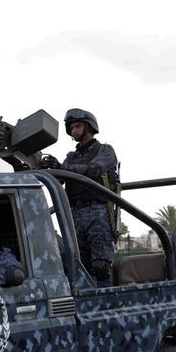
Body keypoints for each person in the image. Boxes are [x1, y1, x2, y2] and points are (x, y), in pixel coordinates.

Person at [41, 108, 119, 285]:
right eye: (71, 128)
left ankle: (106, 306)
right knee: (79, 268)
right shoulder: (71, 157)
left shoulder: (105, 150)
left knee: (101, 267)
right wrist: (49, 167)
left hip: (98, 214)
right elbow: (60, 179)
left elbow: (93, 170)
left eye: (77, 126)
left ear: (89, 127)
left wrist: (62, 168)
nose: (74, 131)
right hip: (75, 215)